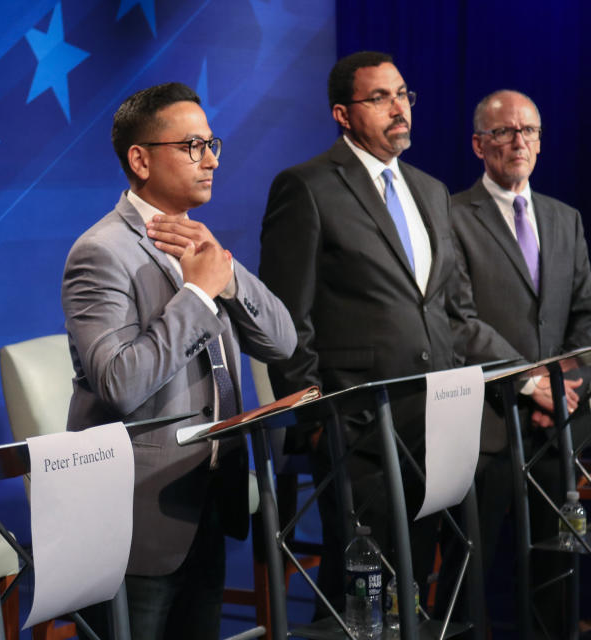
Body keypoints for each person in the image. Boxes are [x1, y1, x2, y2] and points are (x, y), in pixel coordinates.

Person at [62, 82, 296, 639]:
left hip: (206, 496)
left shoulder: (199, 244)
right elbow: (120, 383)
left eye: (212, 143)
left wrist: (227, 274)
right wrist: (196, 297)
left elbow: (283, 342)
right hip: (137, 513)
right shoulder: (101, 252)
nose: (211, 158)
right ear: (140, 159)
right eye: (192, 145)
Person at [259, 51, 460, 613]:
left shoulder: (432, 189)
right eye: (380, 98)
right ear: (343, 115)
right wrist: (320, 417)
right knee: (363, 595)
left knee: (418, 584)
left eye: (402, 95)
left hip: (436, 417)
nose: (398, 109)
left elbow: (442, 304)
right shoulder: (306, 187)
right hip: (359, 425)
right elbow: (284, 317)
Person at [442, 89, 591, 636]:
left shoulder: (564, 218)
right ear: (479, 144)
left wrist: (568, 383)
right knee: (469, 568)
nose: (519, 142)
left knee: (557, 566)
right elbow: (456, 320)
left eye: (529, 130)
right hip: (487, 422)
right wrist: (533, 382)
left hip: (560, 426)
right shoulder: (450, 215)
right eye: (505, 132)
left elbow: (585, 315)